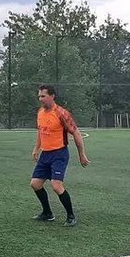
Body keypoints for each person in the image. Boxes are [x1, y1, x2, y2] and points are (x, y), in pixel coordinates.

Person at [30, 85, 89, 227]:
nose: (40, 99)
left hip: (59, 154)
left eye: (43, 96)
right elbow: (40, 131)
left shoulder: (61, 113)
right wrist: (36, 149)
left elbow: (75, 132)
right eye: (39, 96)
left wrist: (82, 154)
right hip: (45, 154)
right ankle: (47, 213)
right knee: (35, 184)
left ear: (52, 96)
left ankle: (71, 216)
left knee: (56, 186)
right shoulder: (40, 112)